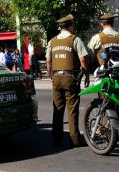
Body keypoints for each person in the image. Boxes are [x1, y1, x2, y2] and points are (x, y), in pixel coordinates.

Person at [46, 14, 90, 147]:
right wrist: (87, 74)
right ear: (70, 26)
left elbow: (48, 61)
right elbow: (83, 59)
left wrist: (51, 76)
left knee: (57, 109)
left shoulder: (52, 41)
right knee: (72, 109)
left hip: (56, 77)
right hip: (70, 78)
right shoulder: (75, 39)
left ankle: (56, 139)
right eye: (73, 26)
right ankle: (74, 139)